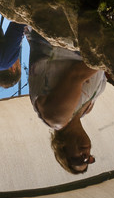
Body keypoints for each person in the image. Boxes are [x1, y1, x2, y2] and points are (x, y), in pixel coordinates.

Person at [27, 30, 107, 174]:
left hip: (58, 28)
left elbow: (77, 74)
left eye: (78, 159)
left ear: (62, 149)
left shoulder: (56, 117)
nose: (86, 155)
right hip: (84, 36)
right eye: (89, 158)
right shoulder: (86, 109)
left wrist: (112, 58)